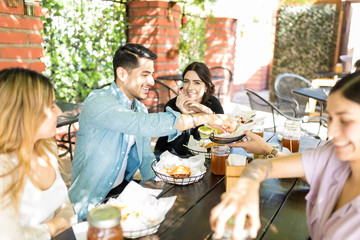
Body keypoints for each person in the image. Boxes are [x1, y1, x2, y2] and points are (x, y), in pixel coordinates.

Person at [69, 43, 237, 220]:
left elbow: (146, 158)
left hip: (121, 196)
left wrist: (161, 186)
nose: (151, 81)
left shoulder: (139, 108)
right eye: (145, 74)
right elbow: (141, 124)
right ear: (122, 74)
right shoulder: (99, 101)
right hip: (89, 204)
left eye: (152, 74)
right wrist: (204, 118)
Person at [210, 71, 360, 240]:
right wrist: (246, 188)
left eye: (345, 120)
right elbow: (260, 166)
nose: (331, 131)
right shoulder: (332, 154)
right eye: (330, 119)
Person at [0, 68, 77, 239]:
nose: (58, 111)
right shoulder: (4, 167)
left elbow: (65, 208)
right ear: (22, 113)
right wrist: (55, 225)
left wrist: (63, 223)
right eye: (50, 105)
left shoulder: (46, 148)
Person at [154, 62, 224, 157]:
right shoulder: (172, 106)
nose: (190, 87)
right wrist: (185, 116)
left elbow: (222, 137)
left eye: (197, 83)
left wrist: (208, 113)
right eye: (186, 81)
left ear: (206, 87)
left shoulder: (212, 103)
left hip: (200, 156)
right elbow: (179, 149)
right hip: (169, 155)